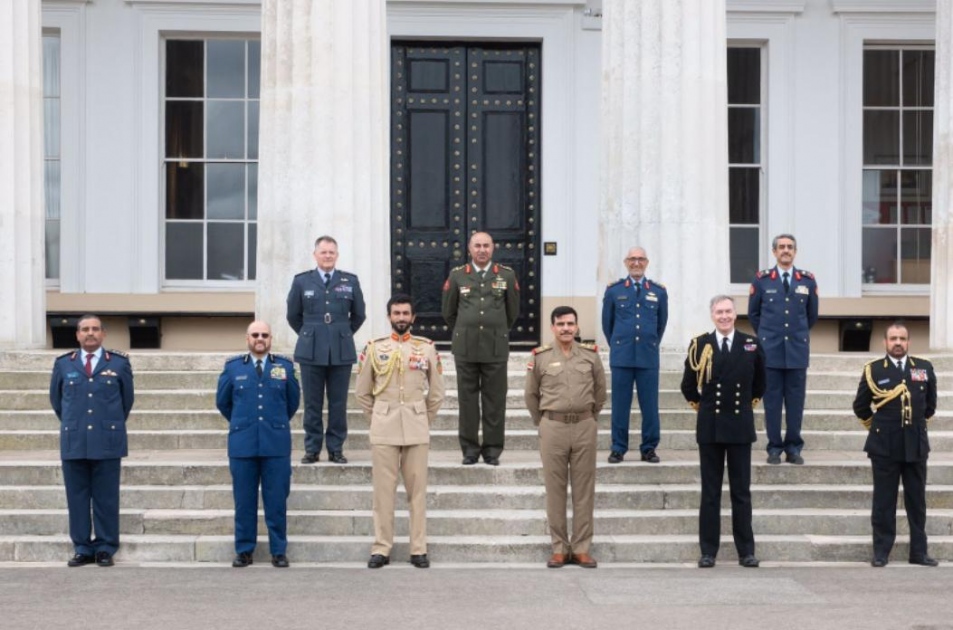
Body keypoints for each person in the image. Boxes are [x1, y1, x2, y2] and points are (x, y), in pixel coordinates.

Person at [355, 294, 445, 569]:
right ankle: (381, 547)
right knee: (383, 493)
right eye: (397, 313)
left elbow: (437, 392)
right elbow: (362, 392)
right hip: (384, 427)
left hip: (416, 427)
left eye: (406, 313)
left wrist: (423, 418)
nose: (401, 318)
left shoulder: (426, 348)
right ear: (389, 317)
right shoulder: (374, 348)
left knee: (417, 492)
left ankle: (418, 548)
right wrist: (378, 417)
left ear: (413, 317)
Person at [681, 296, 765, 569]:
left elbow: (760, 383)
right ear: (712, 315)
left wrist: (745, 406)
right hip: (711, 427)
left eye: (728, 311)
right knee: (710, 493)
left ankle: (746, 551)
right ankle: (708, 551)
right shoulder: (700, 345)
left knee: (741, 492)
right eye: (719, 312)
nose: (724, 316)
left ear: (735, 314)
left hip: (740, 426)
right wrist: (704, 407)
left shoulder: (751, 344)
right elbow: (688, 386)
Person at [49, 314, 134, 568]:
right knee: (76, 498)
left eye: (95, 329)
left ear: (103, 334)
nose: (90, 333)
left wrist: (108, 426)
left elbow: (126, 401)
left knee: (106, 498)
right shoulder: (63, 364)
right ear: (77, 335)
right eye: (85, 329)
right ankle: (82, 548)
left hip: (107, 440)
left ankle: (106, 547)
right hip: (74, 440)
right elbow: (57, 401)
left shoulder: (118, 363)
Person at [525, 306, 607, 569]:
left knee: (584, 491)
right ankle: (559, 548)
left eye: (570, 324)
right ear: (552, 327)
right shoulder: (540, 357)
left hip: (584, 426)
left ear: (577, 326)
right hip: (553, 428)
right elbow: (531, 395)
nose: (566, 328)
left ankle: (581, 548)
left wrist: (590, 417)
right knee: (555, 491)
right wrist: (543, 422)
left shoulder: (590, 356)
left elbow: (600, 391)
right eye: (560, 324)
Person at [852, 322, 938, 568]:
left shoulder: (923, 367)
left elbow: (930, 405)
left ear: (908, 342)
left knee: (917, 502)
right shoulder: (874, 370)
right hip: (884, 446)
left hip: (916, 445)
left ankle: (919, 553)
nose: (898, 343)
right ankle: (881, 552)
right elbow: (860, 406)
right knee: (883, 501)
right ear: (885, 342)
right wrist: (879, 429)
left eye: (902, 338)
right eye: (893, 338)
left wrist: (915, 427)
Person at [215, 321, 300, 568]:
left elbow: (293, 401)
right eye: (255, 335)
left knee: (276, 501)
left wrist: (273, 423)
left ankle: (278, 551)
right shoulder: (233, 368)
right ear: (247, 338)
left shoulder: (284, 366)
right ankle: (244, 550)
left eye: (264, 335)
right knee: (244, 501)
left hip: (276, 444)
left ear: (270, 338)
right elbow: (223, 402)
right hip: (243, 444)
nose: (259, 338)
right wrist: (244, 422)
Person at [441, 231, 520, 466]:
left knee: (495, 401)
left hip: (495, 348)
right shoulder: (457, 275)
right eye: (477, 246)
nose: (482, 250)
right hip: (465, 348)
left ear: (493, 248)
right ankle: (469, 449)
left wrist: (496, 330)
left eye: (486, 245)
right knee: (467, 401)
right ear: (469, 249)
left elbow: (512, 311)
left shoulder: (506, 275)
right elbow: (448, 311)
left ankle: (492, 450)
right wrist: (466, 330)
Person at [287, 235, 366, 464]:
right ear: (315, 255)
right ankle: (312, 449)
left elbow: (359, 314)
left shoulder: (350, 281)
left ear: (337, 255)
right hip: (310, 349)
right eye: (323, 252)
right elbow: (293, 315)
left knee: (338, 403)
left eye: (331, 252)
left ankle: (335, 449)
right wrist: (309, 333)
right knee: (312, 403)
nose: (328, 256)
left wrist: (343, 332)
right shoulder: (302, 281)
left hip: (341, 349)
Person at [747, 234, 818, 465]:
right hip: (771, 351)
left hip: (797, 351)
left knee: (796, 403)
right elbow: (753, 314)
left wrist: (796, 334)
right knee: (773, 403)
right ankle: (774, 447)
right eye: (781, 247)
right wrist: (767, 337)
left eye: (789, 247)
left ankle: (794, 448)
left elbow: (812, 315)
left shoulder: (807, 280)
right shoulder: (762, 280)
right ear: (774, 252)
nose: (785, 250)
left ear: (795, 251)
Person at [601, 246, 668, 464]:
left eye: (640, 259)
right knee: (620, 405)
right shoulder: (614, 291)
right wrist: (619, 345)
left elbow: (661, 324)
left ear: (646, 263)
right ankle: (618, 447)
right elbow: (607, 325)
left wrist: (649, 343)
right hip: (622, 357)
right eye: (632, 259)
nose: (636, 263)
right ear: (626, 262)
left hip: (648, 357)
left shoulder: (658, 292)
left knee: (650, 406)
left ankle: (649, 448)